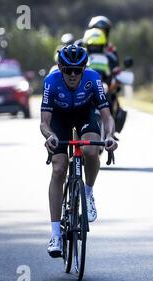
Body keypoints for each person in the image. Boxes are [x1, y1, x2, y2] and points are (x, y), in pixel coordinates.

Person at [40, 45, 118, 258]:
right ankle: (56, 234)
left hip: (85, 114)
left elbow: (107, 116)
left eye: (78, 70)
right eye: (68, 70)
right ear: (60, 68)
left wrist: (109, 136)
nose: (73, 75)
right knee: (59, 168)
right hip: (60, 119)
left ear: (84, 69)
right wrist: (50, 136)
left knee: (91, 150)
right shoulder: (51, 82)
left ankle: (88, 192)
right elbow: (44, 123)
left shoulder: (93, 79)